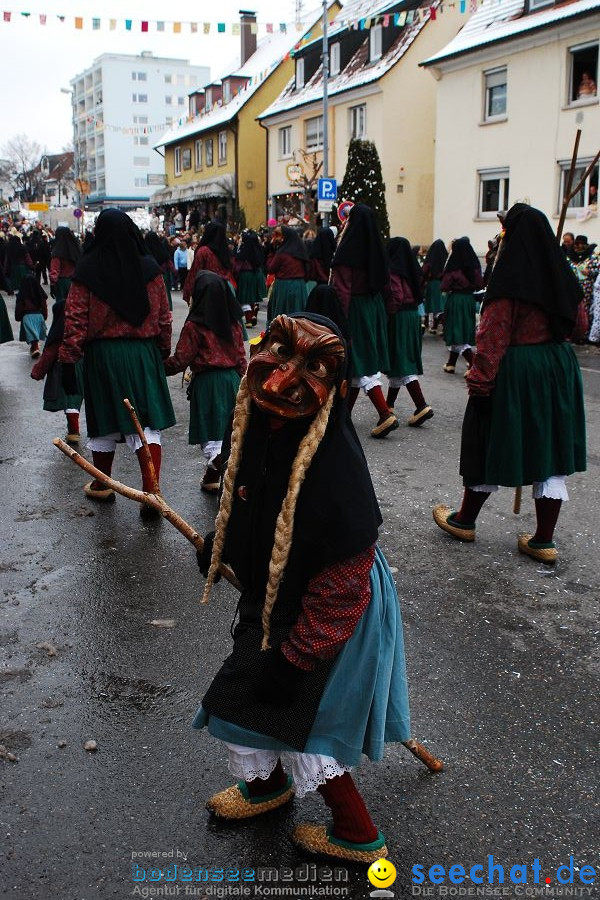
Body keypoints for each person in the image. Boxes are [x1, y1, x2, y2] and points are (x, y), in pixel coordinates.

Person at [195, 312, 410, 864]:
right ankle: (267, 787)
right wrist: (221, 545)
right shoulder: (260, 430)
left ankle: (357, 833)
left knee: (309, 716)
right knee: (243, 693)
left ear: (336, 389)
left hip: (330, 613)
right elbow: (250, 504)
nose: (279, 380)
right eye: (278, 351)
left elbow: (343, 579)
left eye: (311, 366)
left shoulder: (334, 468)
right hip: (274, 600)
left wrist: (299, 657)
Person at [433, 204, 586, 565]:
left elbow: (492, 337)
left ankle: (465, 519)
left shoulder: (509, 280)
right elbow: (579, 327)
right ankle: (543, 540)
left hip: (518, 370)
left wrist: (480, 386)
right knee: (548, 447)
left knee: (487, 438)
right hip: (558, 368)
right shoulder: (563, 277)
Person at [58, 209, 175, 514]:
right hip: (143, 354)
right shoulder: (150, 268)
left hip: (103, 357)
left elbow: (74, 319)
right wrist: (162, 350)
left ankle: (102, 483)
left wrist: (69, 359)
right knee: (146, 422)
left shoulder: (87, 271)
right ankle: (152, 491)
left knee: (105, 421)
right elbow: (164, 316)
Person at [164, 272, 246, 493]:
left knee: (212, 435)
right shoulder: (234, 323)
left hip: (209, 384)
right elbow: (240, 357)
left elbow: (180, 360)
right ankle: (212, 477)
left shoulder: (195, 326)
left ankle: (225, 472)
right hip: (232, 381)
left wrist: (156, 367)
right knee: (227, 433)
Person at [330, 203, 395, 438]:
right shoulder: (377, 250)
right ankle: (342, 418)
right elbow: (387, 287)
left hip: (355, 309)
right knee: (357, 365)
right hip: (373, 307)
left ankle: (385, 412)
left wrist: (338, 320)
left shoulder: (348, 252)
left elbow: (342, 291)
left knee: (361, 361)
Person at [384, 237, 433, 427]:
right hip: (412, 316)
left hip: (400, 317)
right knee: (400, 360)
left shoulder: (394, 272)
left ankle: (421, 405)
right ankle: (389, 404)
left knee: (402, 361)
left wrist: (388, 314)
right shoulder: (413, 270)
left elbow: (396, 296)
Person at [440, 237, 483, 376]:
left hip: (456, 300)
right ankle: (451, 363)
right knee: (463, 330)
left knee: (456, 332)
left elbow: (445, 286)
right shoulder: (474, 265)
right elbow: (479, 283)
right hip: (469, 299)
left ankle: (473, 364)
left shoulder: (454, 266)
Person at [183, 222, 235, 304]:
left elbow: (195, 272)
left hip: (207, 292)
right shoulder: (227, 252)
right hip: (227, 290)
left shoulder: (203, 251)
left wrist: (189, 292)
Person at [266, 225, 309, 321]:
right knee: (298, 315)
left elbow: (271, 268)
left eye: (278, 235)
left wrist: (271, 252)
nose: (276, 238)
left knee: (282, 316)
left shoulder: (282, 253)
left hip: (283, 286)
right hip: (299, 286)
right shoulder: (301, 251)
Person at [234, 230, 266, 328]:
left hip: (245, 274)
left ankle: (248, 319)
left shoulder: (244, 250)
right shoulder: (258, 249)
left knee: (245, 298)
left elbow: (237, 263)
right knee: (252, 297)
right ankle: (253, 312)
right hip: (257, 274)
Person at [15, 274, 48, 358]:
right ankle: (35, 347)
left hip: (27, 318)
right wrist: (43, 317)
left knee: (32, 335)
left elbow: (18, 312)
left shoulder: (22, 296)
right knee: (34, 334)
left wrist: (19, 317)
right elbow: (44, 308)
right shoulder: (40, 295)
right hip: (39, 317)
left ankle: (35, 347)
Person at [422, 239, 448, 334]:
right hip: (443, 284)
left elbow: (424, 272)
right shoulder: (446, 259)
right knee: (441, 307)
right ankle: (441, 327)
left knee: (433, 307)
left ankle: (431, 326)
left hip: (432, 284)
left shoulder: (430, 259)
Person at [144, 231, 174, 310]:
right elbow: (169, 263)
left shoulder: (145, 252)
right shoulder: (162, 250)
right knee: (165, 292)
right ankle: (168, 307)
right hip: (163, 275)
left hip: (151, 277)